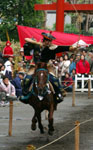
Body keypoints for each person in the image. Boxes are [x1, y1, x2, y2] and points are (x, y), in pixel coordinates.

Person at [20, 32, 77, 103]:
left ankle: (59, 93)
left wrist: (73, 48)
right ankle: (25, 95)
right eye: (48, 41)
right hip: (35, 66)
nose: (49, 42)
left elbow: (64, 48)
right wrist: (37, 43)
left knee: (55, 79)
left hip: (47, 66)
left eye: (50, 41)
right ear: (44, 40)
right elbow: (26, 39)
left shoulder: (52, 48)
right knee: (27, 79)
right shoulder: (36, 45)